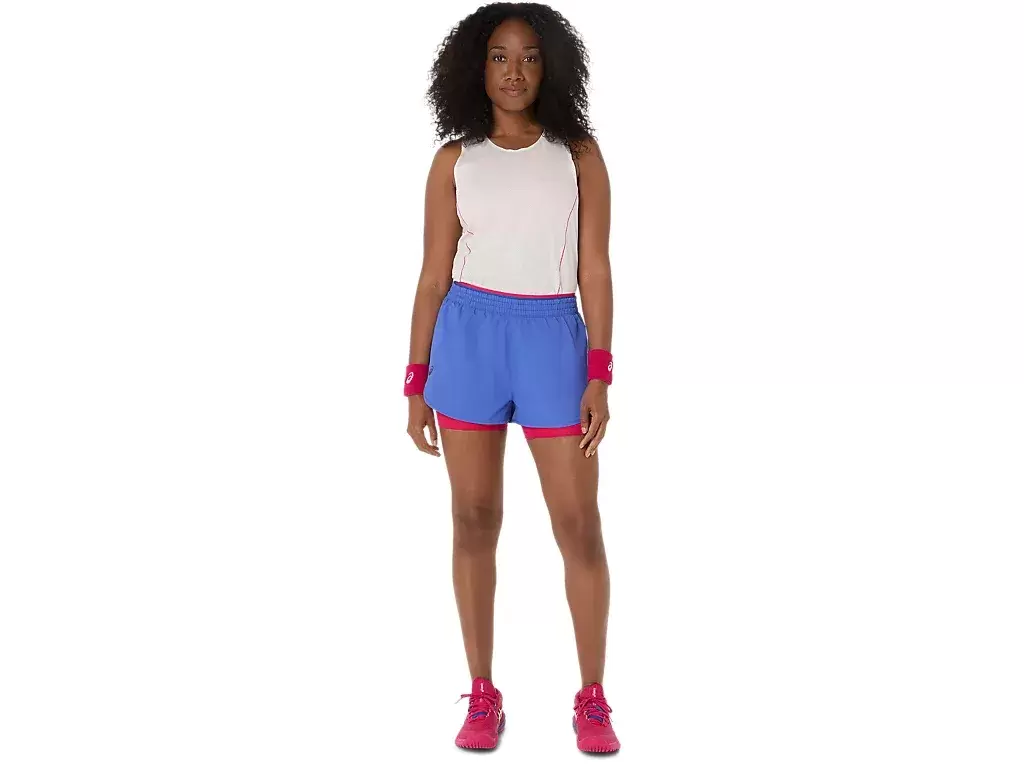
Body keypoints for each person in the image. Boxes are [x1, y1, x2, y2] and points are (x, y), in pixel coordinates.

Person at [404, 3, 619, 754]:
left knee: (578, 524)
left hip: (552, 341)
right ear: (477, 66)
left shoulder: (578, 155)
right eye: (499, 56)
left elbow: (596, 268)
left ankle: (592, 696)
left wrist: (600, 371)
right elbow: (433, 275)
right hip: (468, 338)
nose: (515, 70)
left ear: (550, 65)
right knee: (473, 520)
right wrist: (415, 379)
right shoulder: (454, 160)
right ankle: (483, 692)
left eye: (529, 55)